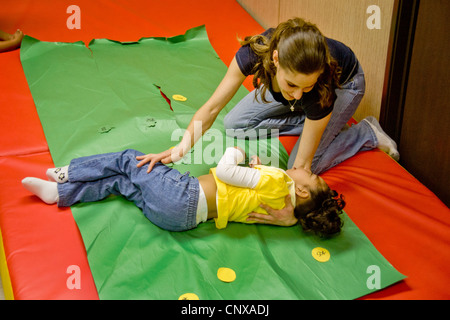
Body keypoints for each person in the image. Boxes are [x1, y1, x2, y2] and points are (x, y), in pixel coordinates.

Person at [134, 17, 399, 225]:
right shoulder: (253, 54)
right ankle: (317, 125)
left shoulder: (318, 90)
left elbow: (300, 168)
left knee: (303, 168)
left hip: (345, 86)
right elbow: (213, 107)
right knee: (234, 125)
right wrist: (181, 148)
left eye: (303, 88)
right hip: (304, 95)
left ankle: (366, 132)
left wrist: (290, 216)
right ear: (275, 60)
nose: (296, 94)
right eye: (292, 84)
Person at [22, 147, 345, 237]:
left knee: (127, 159)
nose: (306, 167)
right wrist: (257, 169)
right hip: (180, 219)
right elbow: (245, 197)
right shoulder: (280, 207)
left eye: (311, 174)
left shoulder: (278, 183)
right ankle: (60, 195)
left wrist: (236, 154)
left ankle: (68, 174)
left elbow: (230, 172)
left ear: (301, 189)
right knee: (122, 183)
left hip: (182, 195)